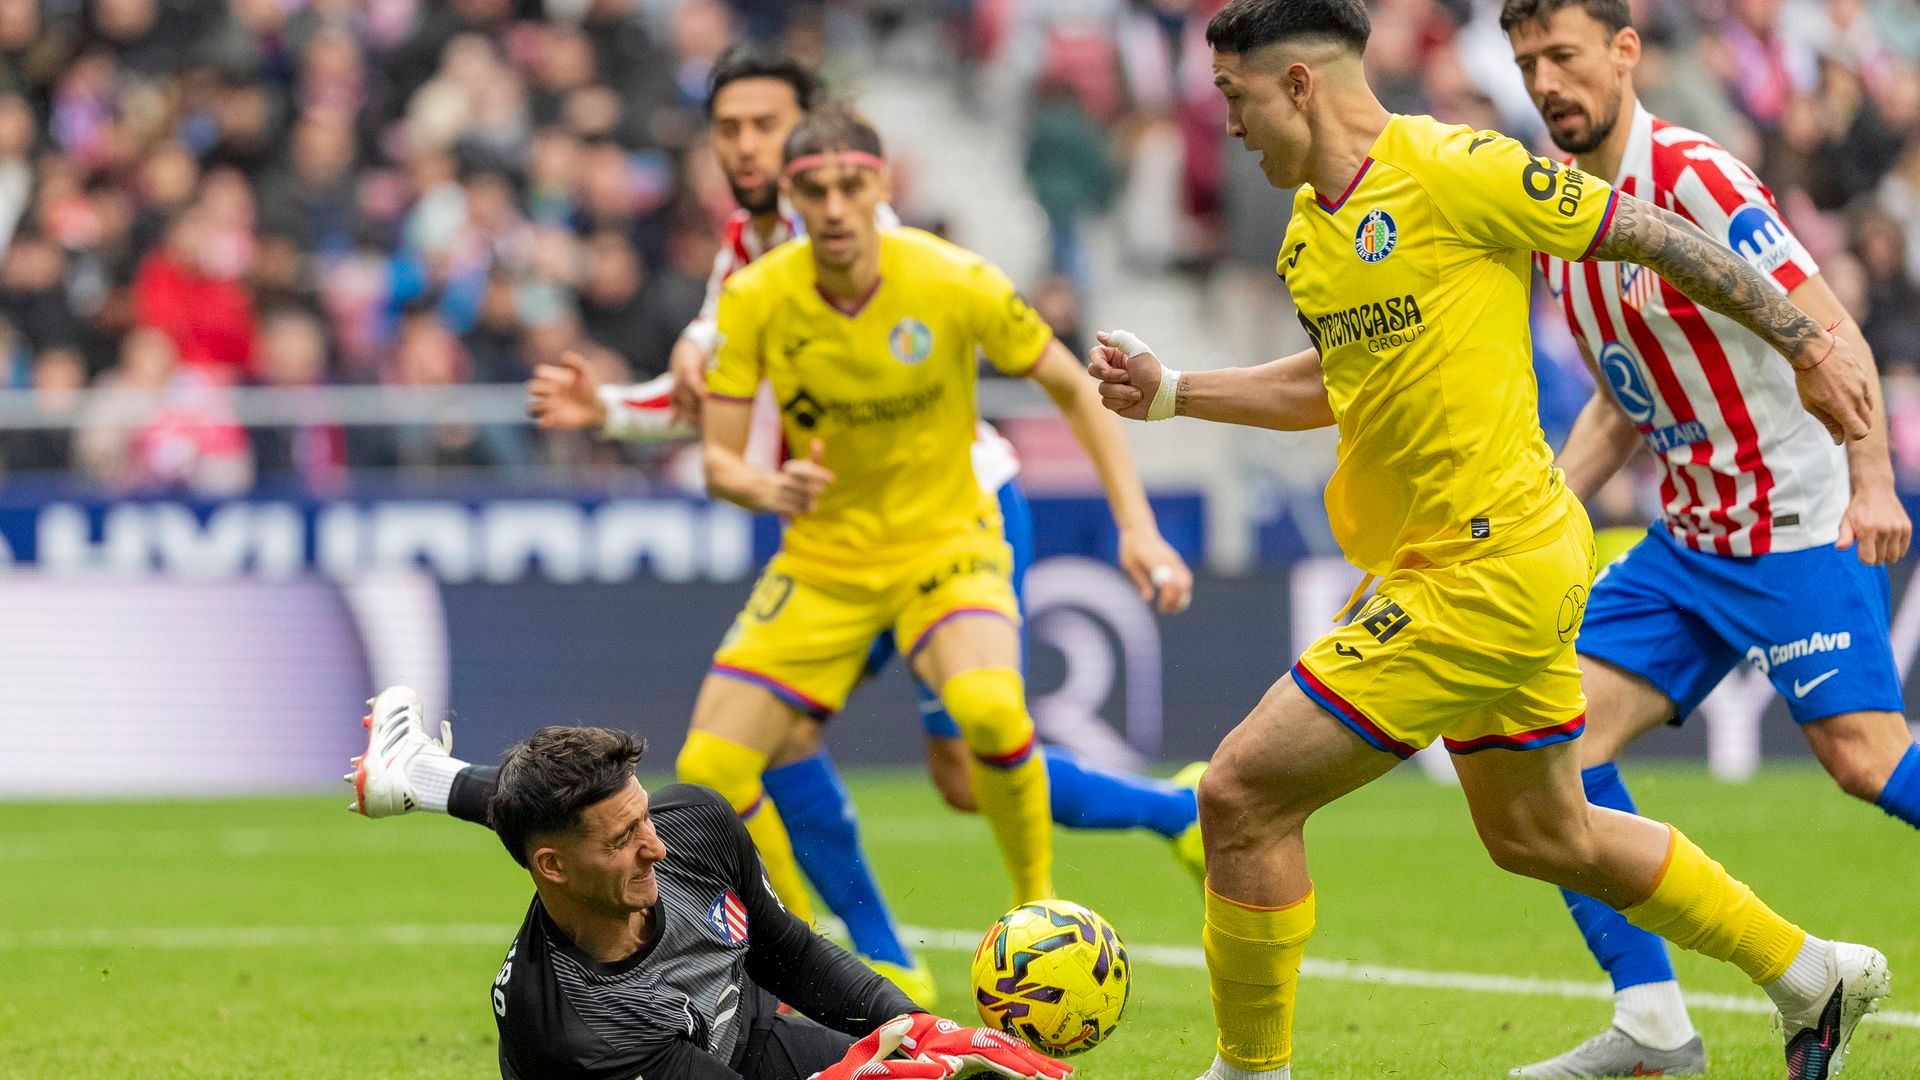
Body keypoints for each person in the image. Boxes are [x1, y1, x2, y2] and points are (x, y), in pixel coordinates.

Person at [1084, 1, 1887, 1078]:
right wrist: (1178, 394)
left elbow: (1654, 234)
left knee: (1237, 794)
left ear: (1299, 85)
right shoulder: (1311, 229)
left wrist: (1807, 341)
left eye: (1234, 98)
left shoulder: (1459, 166)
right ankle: (1809, 974)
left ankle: (1251, 1070)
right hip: (1455, 564)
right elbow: (1334, 383)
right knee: (1542, 836)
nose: (1227, 125)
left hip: (1487, 567)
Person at [354, 47, 1201, 1007]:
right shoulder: (748, 264)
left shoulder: (862, 238)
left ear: (815, 136)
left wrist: (650, 406)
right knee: (768, 747)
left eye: (767, 125)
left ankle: (1158, 824)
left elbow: (771, 369)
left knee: (967, 763)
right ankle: (856, 960)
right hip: (828, 524)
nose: (746, 145)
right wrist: (620, 412)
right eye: (729, 129)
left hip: (955, 509)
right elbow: (709, 400)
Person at [1497, 0, 1920, 1074]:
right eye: (1526, 61)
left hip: (1796, 523)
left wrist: (1872, 481)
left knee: (1864, 760)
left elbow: (1830, 326)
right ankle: (1650, 1026)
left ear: (1625, 52)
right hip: (1690, 537)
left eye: (1564, 55)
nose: (1546, 82)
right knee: (1549, 750)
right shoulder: (1561, 221)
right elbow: (1615, 405)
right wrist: (1536, 519)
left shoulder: (1694, 177)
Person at [478, 718, 1072, 1080]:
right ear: (552, 867)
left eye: (644, 817)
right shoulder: (572, 1026)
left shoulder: (694, 825)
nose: (654, 847)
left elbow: (787, 953)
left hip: (751, 1036)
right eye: (623, 838)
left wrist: (913, 1022)